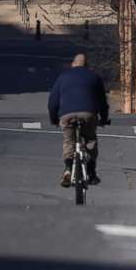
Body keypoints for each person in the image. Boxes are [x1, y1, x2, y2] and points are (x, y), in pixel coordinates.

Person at [46, 51, 111, 187]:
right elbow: (103, 102)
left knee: (69, 141)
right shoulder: (94, 77)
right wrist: (104, 119)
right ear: (87, 65)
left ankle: (68, 169)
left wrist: (54, 119)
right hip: (88, 114)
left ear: (72, 65)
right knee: (90, 140)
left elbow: (53, 101)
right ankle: (92, 172)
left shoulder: (63, 77)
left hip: (67, 114)